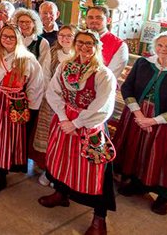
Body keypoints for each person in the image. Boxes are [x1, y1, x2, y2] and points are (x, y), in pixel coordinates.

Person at [113, 30, 167, 216]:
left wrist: (151, 121)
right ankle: (137, 183)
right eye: (160, 45)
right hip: (136, 116)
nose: (163, 49)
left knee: (162, 158)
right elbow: (127, 87)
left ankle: (163, 196)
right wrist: (139, 114)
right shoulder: (143, 63)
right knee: (136, 150)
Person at [39, 29, 117, 235]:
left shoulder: (103, 74)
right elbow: (53, 92)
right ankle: (61, 193)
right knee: (62, 160)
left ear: (97, 46)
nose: (84, 47)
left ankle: (99, 218)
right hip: (64, 121)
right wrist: (64, 118)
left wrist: (76, 123)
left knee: (96, 171)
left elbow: (103, 107)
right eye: (80, 42)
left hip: (90, 126)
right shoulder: (65, 66)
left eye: (89, 43)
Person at [0, 24, 44, 195]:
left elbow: (36, 86)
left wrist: (31, 109)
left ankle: (1, 173)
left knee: (7, 138)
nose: (8, 39)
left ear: (18, 38)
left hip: (14, 103)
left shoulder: (27, 59)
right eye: (4, 36)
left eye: (12, 37)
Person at [33, 24, 76, 185]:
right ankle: (48, 169)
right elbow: (45, 74)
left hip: (71, 105)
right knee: (50, 137)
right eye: (61, 35)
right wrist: (51, 96)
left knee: (64, 139)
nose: (65, 38)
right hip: (51, 101)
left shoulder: (78, 55)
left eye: (69, 35)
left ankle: (61, 172)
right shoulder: (53, 53)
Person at [13, 8, 52, 78]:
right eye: (21, 22)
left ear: (34, 24)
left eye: (28, 22)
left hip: (33, 79)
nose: (24, 24)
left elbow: (44, 68)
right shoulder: (13, 39)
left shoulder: (42, 42)